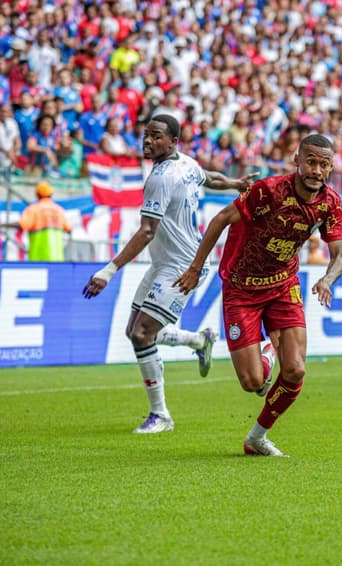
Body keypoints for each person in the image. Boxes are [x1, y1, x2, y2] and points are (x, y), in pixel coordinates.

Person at [81, 114, 256, 434]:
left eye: (157, 136)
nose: (148, 141)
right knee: (134, 330)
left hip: (183, 266)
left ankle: (160, 416)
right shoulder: (186, 163)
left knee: (140, 334)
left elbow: (147, 232)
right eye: (146, 135)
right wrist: (235, 183)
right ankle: (197, 340)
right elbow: (211, 177)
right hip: (165, 263)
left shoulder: (161, 178)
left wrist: (108, 271)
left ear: (173, 141)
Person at [174, 133, 342, 457]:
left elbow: (339, 257)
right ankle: (268, 352)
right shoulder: (269, 191)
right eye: (310, 162)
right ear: (297, 161)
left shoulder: (330, 202)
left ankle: (256, 438)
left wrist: (327, 280)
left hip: (283, 285)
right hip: (241, 288)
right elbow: (222, 219)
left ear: (331, 167)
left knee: (295, 370)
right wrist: (196, 268)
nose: (316, 171)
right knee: (253, 382)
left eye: (324, 165)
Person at [0, 181, 72, 261]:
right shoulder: (59, 210)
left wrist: (0, 225)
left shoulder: (34, 209)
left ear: (37, 194)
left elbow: (22, 224)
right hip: (57, 258)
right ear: (51, 194)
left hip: (39, 257)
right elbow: (69, 229)